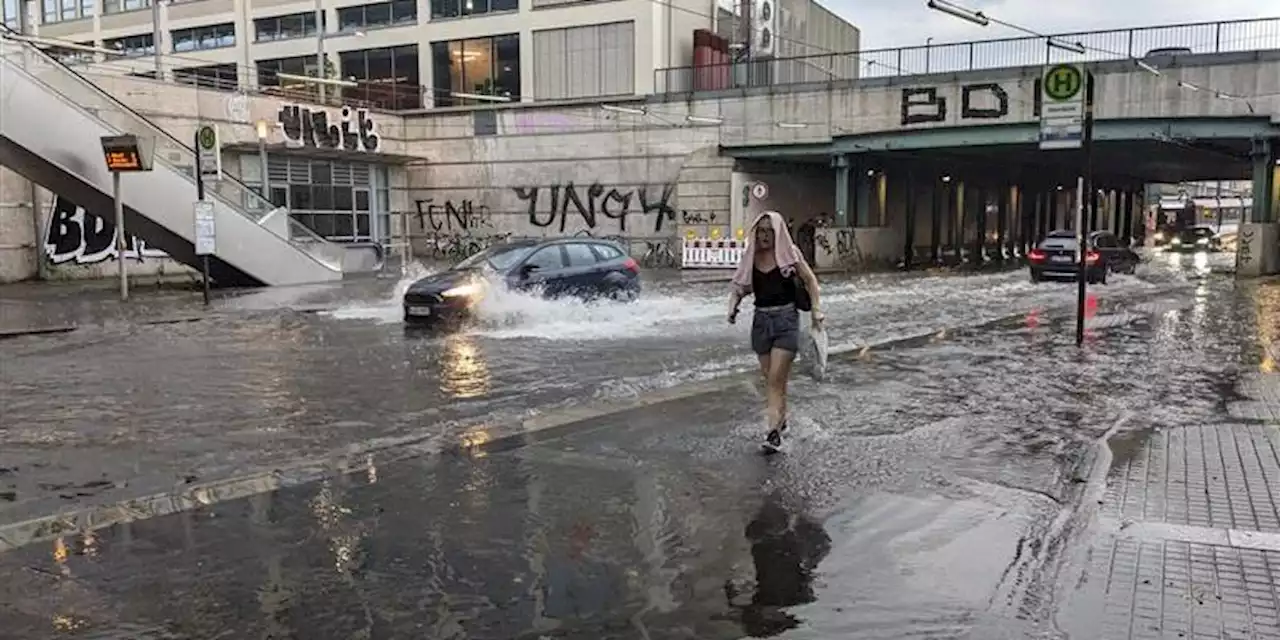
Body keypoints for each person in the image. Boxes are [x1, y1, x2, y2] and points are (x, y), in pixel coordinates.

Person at [727, 211, 824, 452]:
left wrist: (816, 310)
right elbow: (739, 287)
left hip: (786, 320)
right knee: (773, 380)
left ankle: (772, 432)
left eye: (770, 232)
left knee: (774, 380)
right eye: (761, 232)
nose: (765, 237)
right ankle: (781, 419)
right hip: (761, 322)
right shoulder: (751, 256)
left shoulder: (790, 255)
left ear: (778, 232)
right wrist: (732, 308)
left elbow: (810, 281)